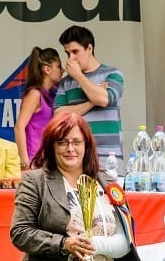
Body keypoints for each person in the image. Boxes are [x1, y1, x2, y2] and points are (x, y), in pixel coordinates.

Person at [10, 112, 146, 261]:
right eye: (61, 142)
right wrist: (65, 244)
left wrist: (95, 245)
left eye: (76, 142)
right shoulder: (35, 180)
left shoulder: (107, 183)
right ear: (51, 146)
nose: (69, 148)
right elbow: (20, 233)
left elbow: (126, 239)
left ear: (87, 145)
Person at [53, 25, 124, 160]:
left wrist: (79, 76)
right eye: (68, 53)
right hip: (76, 157)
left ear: (89, 48)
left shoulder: (113, 74)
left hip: (107, 157)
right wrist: (92, 101)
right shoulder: (66, 82)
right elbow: (58, 115)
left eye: (75, 51)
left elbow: (105, 100)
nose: (71, 58)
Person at [14, 47, 62, 170]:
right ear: (47, 69)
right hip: (33, 161)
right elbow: (19, 127)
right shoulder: (35, 94)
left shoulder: (50, 96)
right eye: (58, 66)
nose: (62, 70)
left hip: (47, 160)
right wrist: (25, 163)